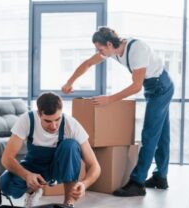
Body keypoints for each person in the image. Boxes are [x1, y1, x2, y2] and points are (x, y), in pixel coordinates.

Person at [62, 27, 174, 197]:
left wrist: (110, 99)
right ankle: (160, 177)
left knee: (150, 134)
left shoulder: (137, 49)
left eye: (100, 49)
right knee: (161, 134)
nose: (98, 52)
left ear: (109, 43)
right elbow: (88, 63)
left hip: (161, 87)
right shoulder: (112, 51)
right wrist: (70, 82)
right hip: (153, 87)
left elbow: (136, 86)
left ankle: (137, 182)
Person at [0, 92, 100, 208]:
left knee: (71, 145)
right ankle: (32, 192)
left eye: (57, 119)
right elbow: (6, 158)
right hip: (34, 166)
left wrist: (84, 184)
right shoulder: (27, 120)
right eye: (48, 121)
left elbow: (95, 166)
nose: (53, 126)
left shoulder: (71, 124)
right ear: (39, 113)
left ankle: (69, 206)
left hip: (57, 167)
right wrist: (26, 175)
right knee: (5, 183)